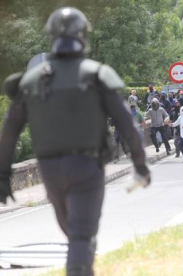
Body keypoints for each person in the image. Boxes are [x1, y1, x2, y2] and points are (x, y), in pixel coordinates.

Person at [0, 7, 150, 275]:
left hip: (49, 170)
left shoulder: (32, 80)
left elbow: (9, 130)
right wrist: (140, 165)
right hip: (86, 166)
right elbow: (127, 125)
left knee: (76, 236)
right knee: (81, 237)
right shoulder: (95, 74)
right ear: (82, 36)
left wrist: (2, 175)